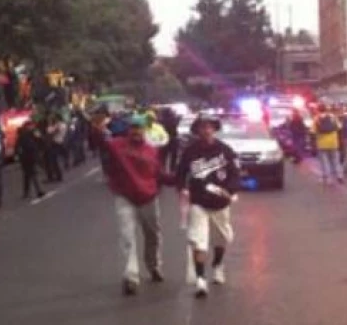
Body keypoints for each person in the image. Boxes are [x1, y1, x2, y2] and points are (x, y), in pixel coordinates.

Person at [97, 115, 167, 295]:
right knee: (127, 237)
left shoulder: (152, 151)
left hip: (148, 197)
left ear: (145, 130)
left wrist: (179, 180)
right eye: (133, 127)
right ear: (128, 129)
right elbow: (100, 141)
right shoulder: (116, 145)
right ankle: (131, 276)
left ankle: (154, 266)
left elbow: (159, 173)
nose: (136, 131)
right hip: (125, 197)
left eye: (139, 128)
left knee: (153, 235)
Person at [177, 115, 240, 298]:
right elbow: (181, 173)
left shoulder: (225, 150)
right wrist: (182, 189)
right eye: (202, 127)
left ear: (214, 129)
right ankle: (201, 279)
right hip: (199, 202)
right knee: (199, 241)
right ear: (197, 130)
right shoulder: (190, 151)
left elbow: (235, 174)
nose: (206, 130)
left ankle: (218, 266)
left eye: (209, 127)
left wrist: (229, 190)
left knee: (221, 239)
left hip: (220, 203)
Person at [312, 104, 343, 184]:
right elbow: (339, 127)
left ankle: (328, 178)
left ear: (318, 109)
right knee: (336, 160)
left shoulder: (317, 118)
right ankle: (339, 176)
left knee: (325, 162)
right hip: (333, 142)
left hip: (322, 143)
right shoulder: (333, 117)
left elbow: (313, 131)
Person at [17, 120, 45, 199]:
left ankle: (27, 192)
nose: (32, 127)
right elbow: (39, 141)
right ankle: (38, 191)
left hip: (27, 157)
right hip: (29, 157)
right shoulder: (27, 135)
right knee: (32, 174)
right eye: (31, 126)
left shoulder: (25, 135)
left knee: (28, 175)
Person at [44, 114, 65, 183]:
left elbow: (50, 132)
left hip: (55, 143)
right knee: (54, 161)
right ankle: (58, 176)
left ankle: (57, 176)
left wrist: (50, 124)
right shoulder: (63, 124)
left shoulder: (58, 125)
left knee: (53, 161)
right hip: (59, 142)